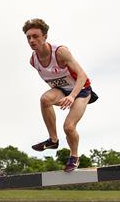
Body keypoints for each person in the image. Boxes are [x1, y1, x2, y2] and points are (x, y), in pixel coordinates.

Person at [24, 18, 98, 172]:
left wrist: (72, 97)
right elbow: (52, 80)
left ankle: (74, 156)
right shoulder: (33, 60)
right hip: (62, 90)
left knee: (69, 127)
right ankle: (53, 140)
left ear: (45, 37)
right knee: (45, 99)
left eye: (35, 36)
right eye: (28, 37)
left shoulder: (60, 52)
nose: (31, 40)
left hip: (81, 90)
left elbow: (82, 75)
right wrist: (59, 95)